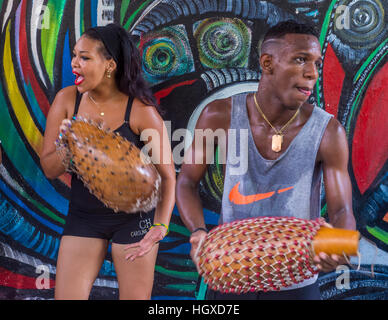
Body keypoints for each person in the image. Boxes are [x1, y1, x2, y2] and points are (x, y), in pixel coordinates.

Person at [176, 20, 356, 300]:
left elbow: (342, 209)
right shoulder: (219, 116)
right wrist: (199, 232)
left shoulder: (328, 132)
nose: (312, 73)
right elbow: (186, 181)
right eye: (300, 60)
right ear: (267, 63)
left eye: (317, 64)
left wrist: (340, 243)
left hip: (296, 283)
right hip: (229, 273)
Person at [40, 23, 176, 300]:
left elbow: (168, 176)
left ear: (110, 65)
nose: (74, 64)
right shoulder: (67, 101)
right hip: (84, 218)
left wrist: (159, 227)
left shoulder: (140, 112)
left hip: (134, 221)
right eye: (75, 55)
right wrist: (71, 144)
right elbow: (50, 169)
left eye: (85, 57)